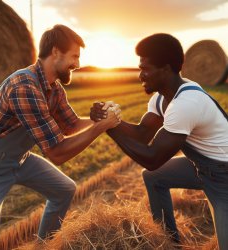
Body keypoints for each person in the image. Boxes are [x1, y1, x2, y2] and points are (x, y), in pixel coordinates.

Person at [0, 24, 121, 250]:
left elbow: (71, 125)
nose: (78, 64)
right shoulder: (25, 86)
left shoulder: (54, 88)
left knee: (64, 189)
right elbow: (57, 152)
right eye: (74, 56)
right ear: (56, 52)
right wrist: (99, 128)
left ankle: (43, 246)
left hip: (20, 159)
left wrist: (95, 118)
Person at [90, 33, 228, 249]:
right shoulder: (162, 97)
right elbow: (142, 133)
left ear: (165, 69)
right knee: (154, 177)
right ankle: (169, 243)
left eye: (145, 69)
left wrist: (108, 128)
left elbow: (153, 158)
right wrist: (111, 120)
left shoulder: (186, 102)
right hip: (202, 167)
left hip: (224, 177)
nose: (140, 75)